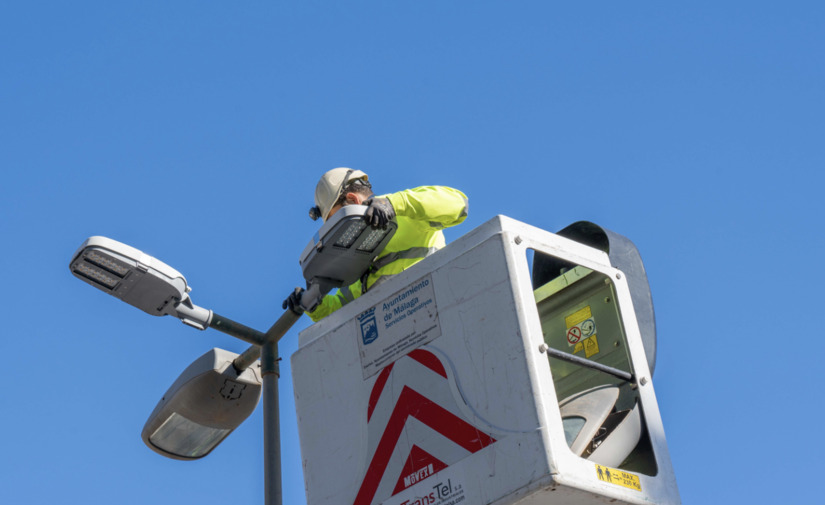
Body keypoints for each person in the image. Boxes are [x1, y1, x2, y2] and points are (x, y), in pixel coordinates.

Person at [284, 167, 468, 322]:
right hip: (398, 338)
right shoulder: (354, 262)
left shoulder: (405, 212)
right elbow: (340, 311)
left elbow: (458, 204)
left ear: (354, 200)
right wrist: (310, 303)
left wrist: (395, 204)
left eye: (336, 220)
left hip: (439, 312)